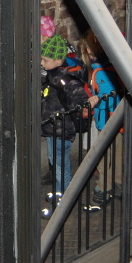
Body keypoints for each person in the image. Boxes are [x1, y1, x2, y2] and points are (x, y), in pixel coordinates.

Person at [40, 35, 89, 217]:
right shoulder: (52, 74)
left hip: (61, 128)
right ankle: (60, 191)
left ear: (58, 60)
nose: (41, 63)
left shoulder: (65, 79)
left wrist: (87, 102)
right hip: (53, 127)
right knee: (55, 161)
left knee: (61, 164)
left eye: (45, 60)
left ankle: (65, 198)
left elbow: (79, 98)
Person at [78, 28, 121, 202]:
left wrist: (96, 100)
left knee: (104, 157)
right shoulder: (111, 65)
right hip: (116, 119)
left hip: (107, 120)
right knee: (116, 154)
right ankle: (117, 183)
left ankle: (103, 188)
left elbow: (109, 95)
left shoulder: (100, 72)